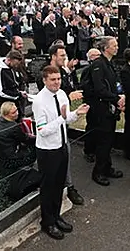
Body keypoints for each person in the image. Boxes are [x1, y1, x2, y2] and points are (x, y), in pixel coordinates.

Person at [33, 65, 89, 240]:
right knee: (48, 187)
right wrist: (62, 118)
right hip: (47, 150)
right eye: (53, 79)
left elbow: (66, 118)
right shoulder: (39, 101)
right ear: (44, 80)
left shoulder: (62, 94)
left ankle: (56, 216)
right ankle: (47, 221)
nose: (57, 82)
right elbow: (42, 130)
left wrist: (76, 114)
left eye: (58, 79)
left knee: (59, 185)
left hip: (62, 145)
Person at [89, 37, 125, 186]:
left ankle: (107, 166)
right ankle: (98, 171)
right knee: (104, 141)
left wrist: (119, 96)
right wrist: (116, 98)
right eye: (114, 45)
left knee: (109, 139)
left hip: (110, 107)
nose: (117, 47)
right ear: (105, 48)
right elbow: (100, 89)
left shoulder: (109, 64)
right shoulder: (98, 65)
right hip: (101, 108)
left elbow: (113, 84)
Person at [0, 101, 36, 169]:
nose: (17, 113)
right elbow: (26, 139)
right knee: (34, 150)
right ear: (6, 114)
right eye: (13, 113)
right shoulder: (13, 127)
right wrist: (37, 138)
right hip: (10, 160)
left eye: (16, 110)